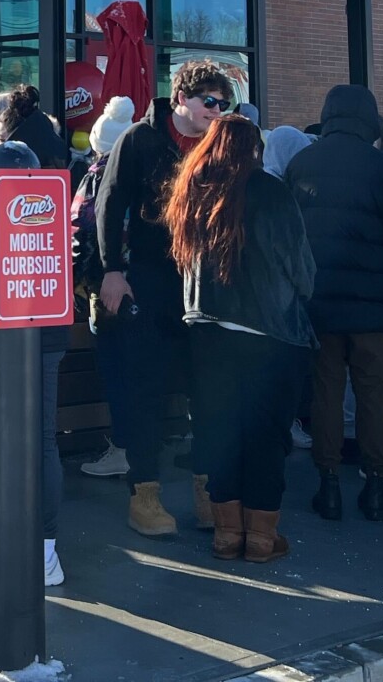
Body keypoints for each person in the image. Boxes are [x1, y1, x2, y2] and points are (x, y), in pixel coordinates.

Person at [164, 114, 315, 562]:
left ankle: (227, 534)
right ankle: (262, 538)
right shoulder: (270, 191)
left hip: (207, 332)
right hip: (269, 333)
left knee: (218, 433)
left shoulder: (192, 189)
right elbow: (300, 266)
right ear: (255, 149)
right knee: (267, 435)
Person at [95, 59, 232, 536]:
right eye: (208, 101)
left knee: (208, 389)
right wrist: (112, 270)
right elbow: (109, 203)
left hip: (205, 281)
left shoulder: (219, 143)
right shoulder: (139, 138)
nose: (216, 111)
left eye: (223, 104)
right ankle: (144, 493)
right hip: (151, 278)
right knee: (145, 389)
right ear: (181, 99)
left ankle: (208, 490)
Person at [285, 85, 383, 523]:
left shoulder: (302, 163)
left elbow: (290, 237)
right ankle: (376, 485)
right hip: (374, 307)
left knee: (327, 393)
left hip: (319, 302)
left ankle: (329, 483)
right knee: (374, 393)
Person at [0, 93, 75, 584]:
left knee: (28, 439)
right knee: (31, 439)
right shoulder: (49, 165)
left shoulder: (13, 167)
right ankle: (22, 544)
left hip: (20, 324)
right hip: (38, 322)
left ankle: (43, 549)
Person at [77, 95, 136, 480]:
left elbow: (82, 229)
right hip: (146, 281)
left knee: (116, 368)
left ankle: (123, 448)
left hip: (108, 285)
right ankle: (138, 445)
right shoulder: (149, 171)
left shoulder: (98, 175)